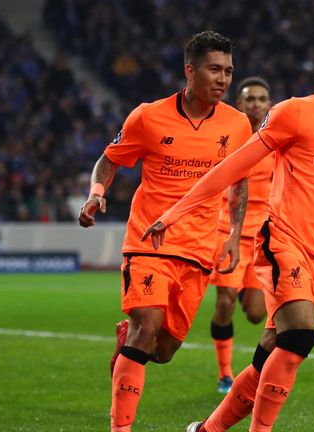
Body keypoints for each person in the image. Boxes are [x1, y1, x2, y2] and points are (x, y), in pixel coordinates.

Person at [141, 26, 314, 432]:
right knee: (299, 338)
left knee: (269, 357)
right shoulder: (296, 112)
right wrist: (175, 212)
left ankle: (208, 430)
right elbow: (232, 166)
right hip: (285, 244)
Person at [77, 31, 253, 432]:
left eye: (228, 70)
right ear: (190, 71)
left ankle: (127, 343)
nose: (223, 78)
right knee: (147, 327)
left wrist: (233, 235)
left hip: (198, 250)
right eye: (214, 69)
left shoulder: (237, 124)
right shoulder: (148, 116)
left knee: (165, 349)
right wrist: (95, 193)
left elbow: (238, 181)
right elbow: (109, 159)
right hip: (148, 242)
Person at [209, 76, 273, 394]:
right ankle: (224, 373)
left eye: (262, 99)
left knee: (255, 314)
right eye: (250, 99)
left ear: (269, 104)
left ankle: (248, 294)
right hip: (227, 231)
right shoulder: (226, 137)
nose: (256, 104)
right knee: (225, 302)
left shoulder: (279, 140)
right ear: (239, 104)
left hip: (262, 237)